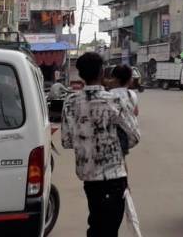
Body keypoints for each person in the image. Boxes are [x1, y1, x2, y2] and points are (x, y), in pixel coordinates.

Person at [61, 52, 140, 237]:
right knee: (107, 229)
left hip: (88, 178)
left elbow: (66, 141)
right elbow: (134, 136)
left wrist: (87, 140)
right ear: (102, 72)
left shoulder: (70, 102)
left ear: (81, 75)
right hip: (113, 177)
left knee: (97, 224)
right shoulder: (114, 100)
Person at [110, 65, 140, 157]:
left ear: (113, 78)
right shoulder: (132, 94)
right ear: (130, 80)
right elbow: (136, 112)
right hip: (130, 136)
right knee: (121, 160)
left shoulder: (109, 94)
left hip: (113, 136)